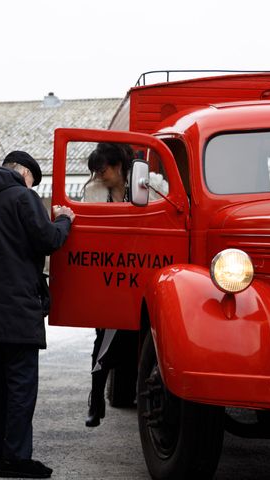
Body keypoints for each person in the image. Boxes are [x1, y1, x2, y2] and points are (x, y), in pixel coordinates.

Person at [0, 151, 75, 478]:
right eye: (32, 179)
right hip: (18, 312)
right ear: (23, 173)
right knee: (21, 386)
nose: (32, 185)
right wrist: (64, 219)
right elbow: (48, 241)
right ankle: (15, 459)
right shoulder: (22, 197)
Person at [81, 142, 168, 427]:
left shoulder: (152, 185)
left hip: (146, 272)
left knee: (144, 340)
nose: (98, 176)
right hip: (111, 276)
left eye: (102, 169)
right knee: (103, 339)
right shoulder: (93, 192)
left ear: (118, 166)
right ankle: (95, 399)